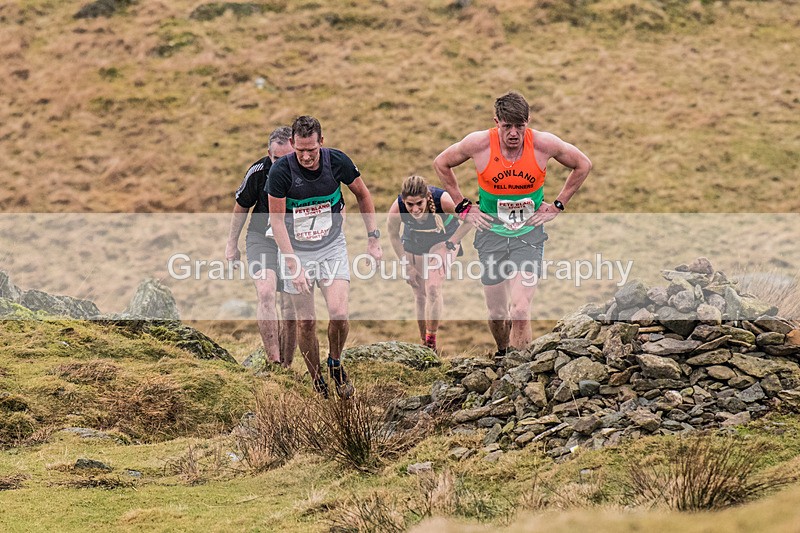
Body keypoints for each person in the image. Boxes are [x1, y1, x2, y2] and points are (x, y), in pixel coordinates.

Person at [433, 91, 592, 359]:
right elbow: (441, 163)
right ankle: (503, 352)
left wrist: (557, 205)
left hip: (528, 235)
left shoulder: (543, 144)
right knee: (497, 312)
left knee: (519, 309)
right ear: (496, 122)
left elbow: (583, 165)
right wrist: (461, 206)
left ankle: (520, 370)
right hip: (490, 234)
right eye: (507, 126)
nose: (514, 133)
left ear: (528, 122)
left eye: (520, 126)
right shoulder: (479, 143)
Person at [268, 116, 382, 398]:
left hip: (331, 247)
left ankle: (335, 362)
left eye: (312, 150)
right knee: (306, 321)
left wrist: (373, 238)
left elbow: (363, 195)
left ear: (322, 141)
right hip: (296, 251)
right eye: (300, 150)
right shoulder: (280, 172)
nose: (306, 157)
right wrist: (293, 264)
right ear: (292, 143)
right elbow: (277, 221)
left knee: (339, 313)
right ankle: (317, 378)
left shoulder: (337, 162)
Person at [226, 126, 297, 368]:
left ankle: (287, 365)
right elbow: (241, 206)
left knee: (289, 302)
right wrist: (231, 244)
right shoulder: (258, 171)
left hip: (294, 241)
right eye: (277, 159)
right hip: (261, 238)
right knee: (266, 292)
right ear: (269, 154)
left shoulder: (307, 172)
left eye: (288, 158)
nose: (282, 164)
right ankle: (273, 361)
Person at [387, 175, 469, 352]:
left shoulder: (443, 201)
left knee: (432, 287)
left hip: (444, 238)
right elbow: (393, 235)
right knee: (420, 293)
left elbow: (470, 220)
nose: (415, 209)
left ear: (427, 198)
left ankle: (432, 342)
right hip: (414, 240)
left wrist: (451, 244)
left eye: (419, 203)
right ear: (403, 201)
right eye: (410, 205)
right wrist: (406, 265)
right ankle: (424, 344)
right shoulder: (397, 208)